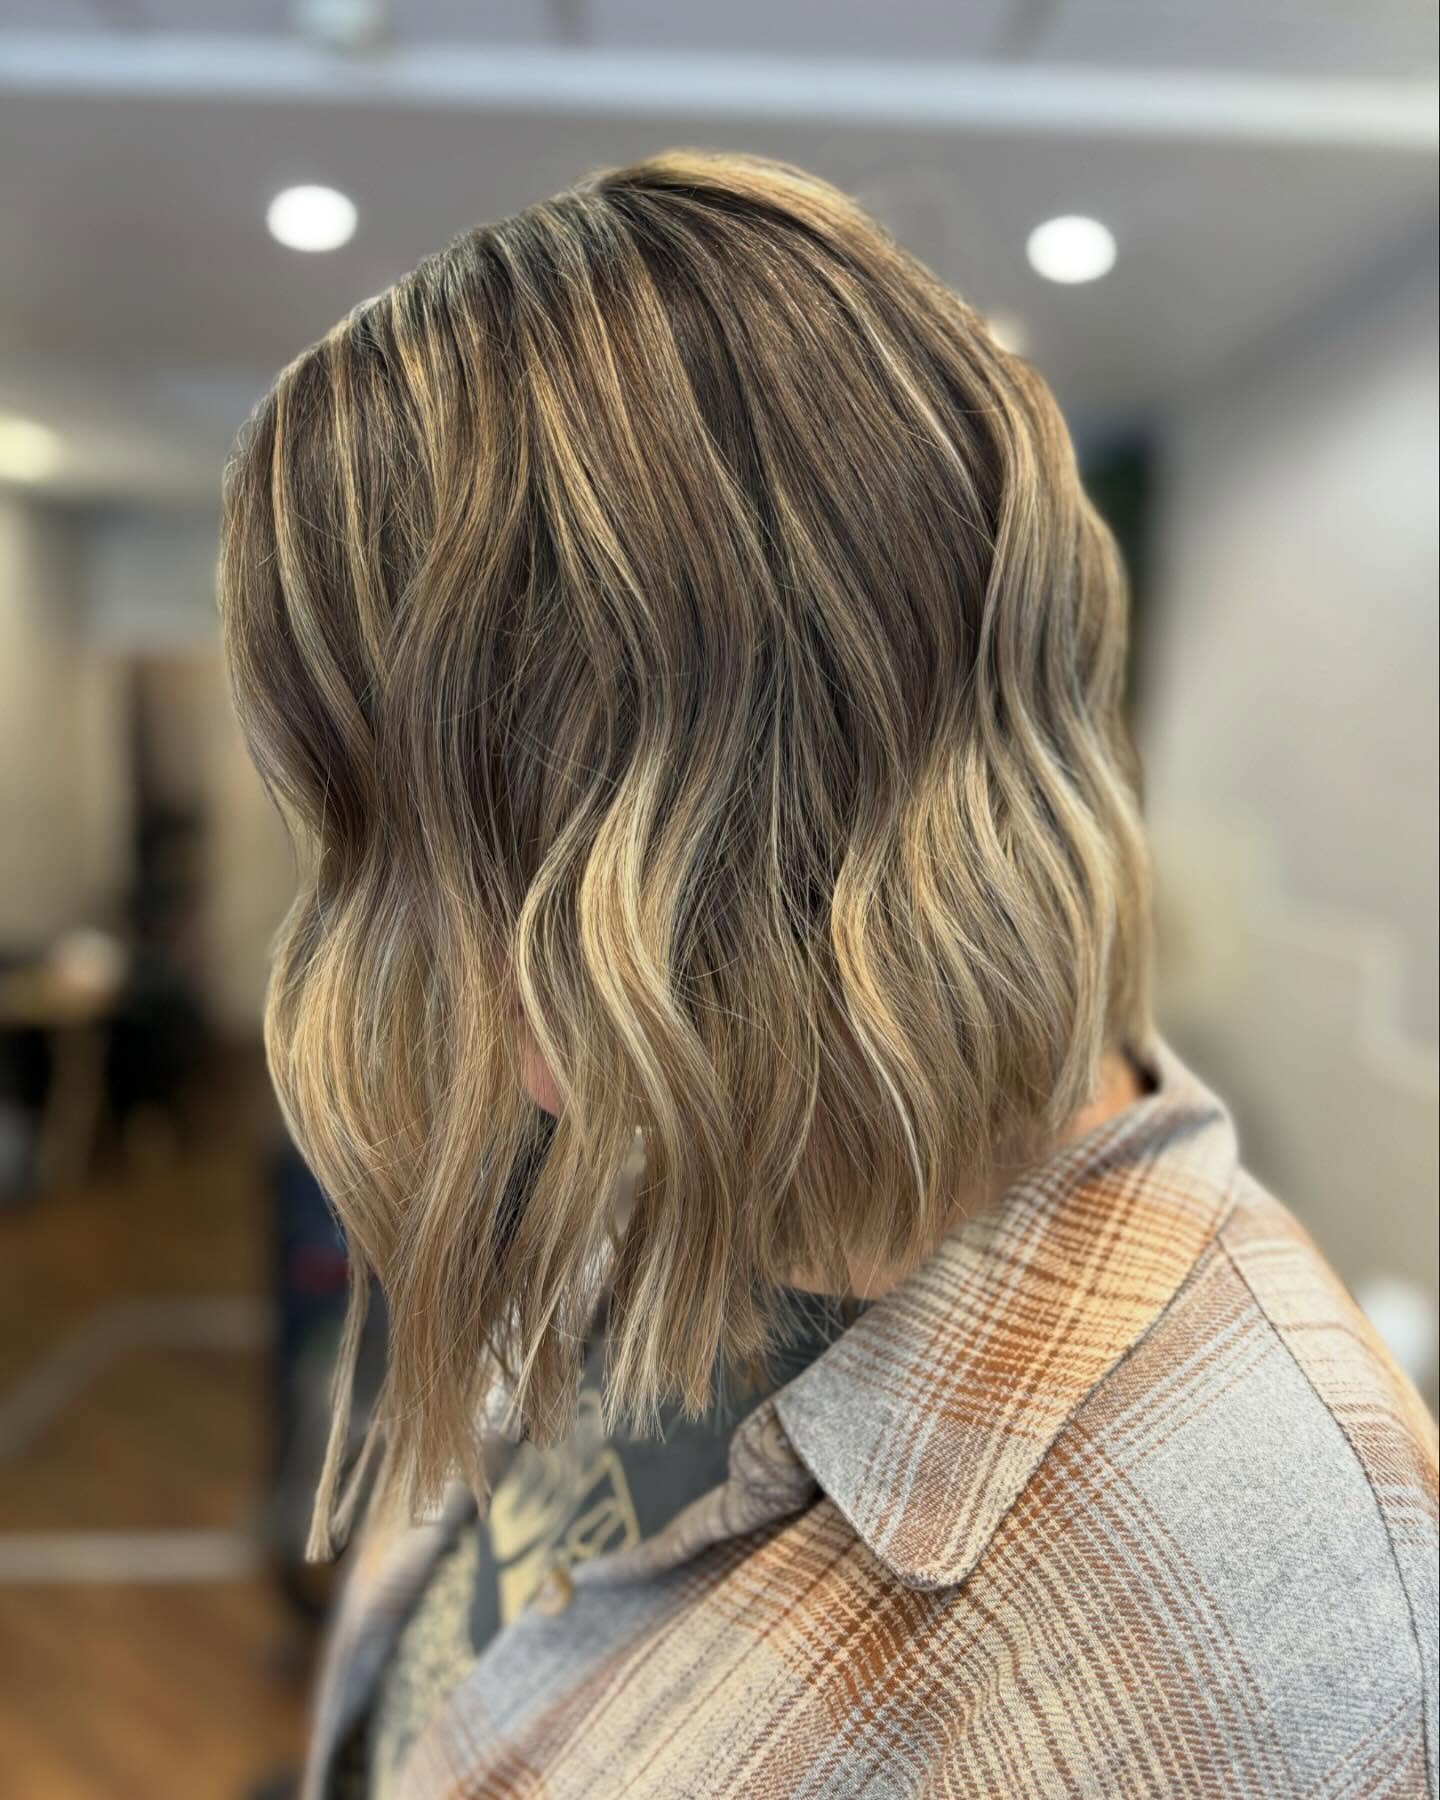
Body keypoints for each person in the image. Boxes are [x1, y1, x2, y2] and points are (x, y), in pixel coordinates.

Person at [219, 152, 1438, 1799]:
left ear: (838, 783)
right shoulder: (674, 1142)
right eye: (395, 837)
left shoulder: (1275, 1630)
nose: (438, 950)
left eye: (502, 827)